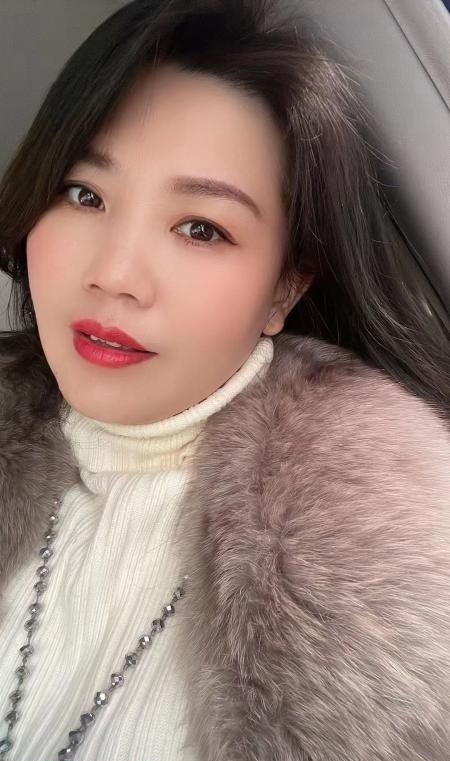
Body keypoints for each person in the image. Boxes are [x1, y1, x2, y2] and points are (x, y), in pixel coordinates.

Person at [0, 0, 449, 759]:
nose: (114, 274)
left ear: (284, 288)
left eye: (201, 228)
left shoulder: (402, 575)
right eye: (84, 194)